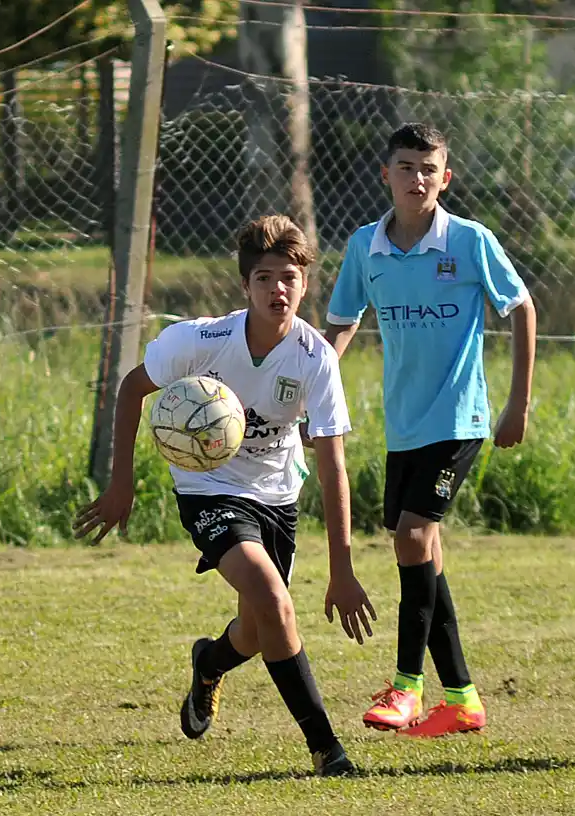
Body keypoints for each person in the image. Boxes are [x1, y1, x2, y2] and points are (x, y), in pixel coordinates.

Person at [73, 215, 377, 776]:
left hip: (278, 494)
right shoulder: (200, 340)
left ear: (305, 284)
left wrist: (343, 567)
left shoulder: (316, 359)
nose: (277, 289)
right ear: (246, 286)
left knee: (261, 629)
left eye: (289, 277)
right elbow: (132, 389)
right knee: (273, 597)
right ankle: (325, 748)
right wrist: (122, 482)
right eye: (265, 278)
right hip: (207, 488)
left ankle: (209, 663)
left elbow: (333, 463)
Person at [324, 122, 537, 738]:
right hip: (404, 425)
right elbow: (341, 324)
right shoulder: (366, 247)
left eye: (428, 168)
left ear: (445, 178)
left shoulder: (469, 241)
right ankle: (464, 698)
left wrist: (517, 403)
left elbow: (520, 307)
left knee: (412, 538)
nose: (416, 178)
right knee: (425, 552)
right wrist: (316, 377)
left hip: (460, 418)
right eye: (405, 167)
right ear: (384, 174)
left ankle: (407, 687)